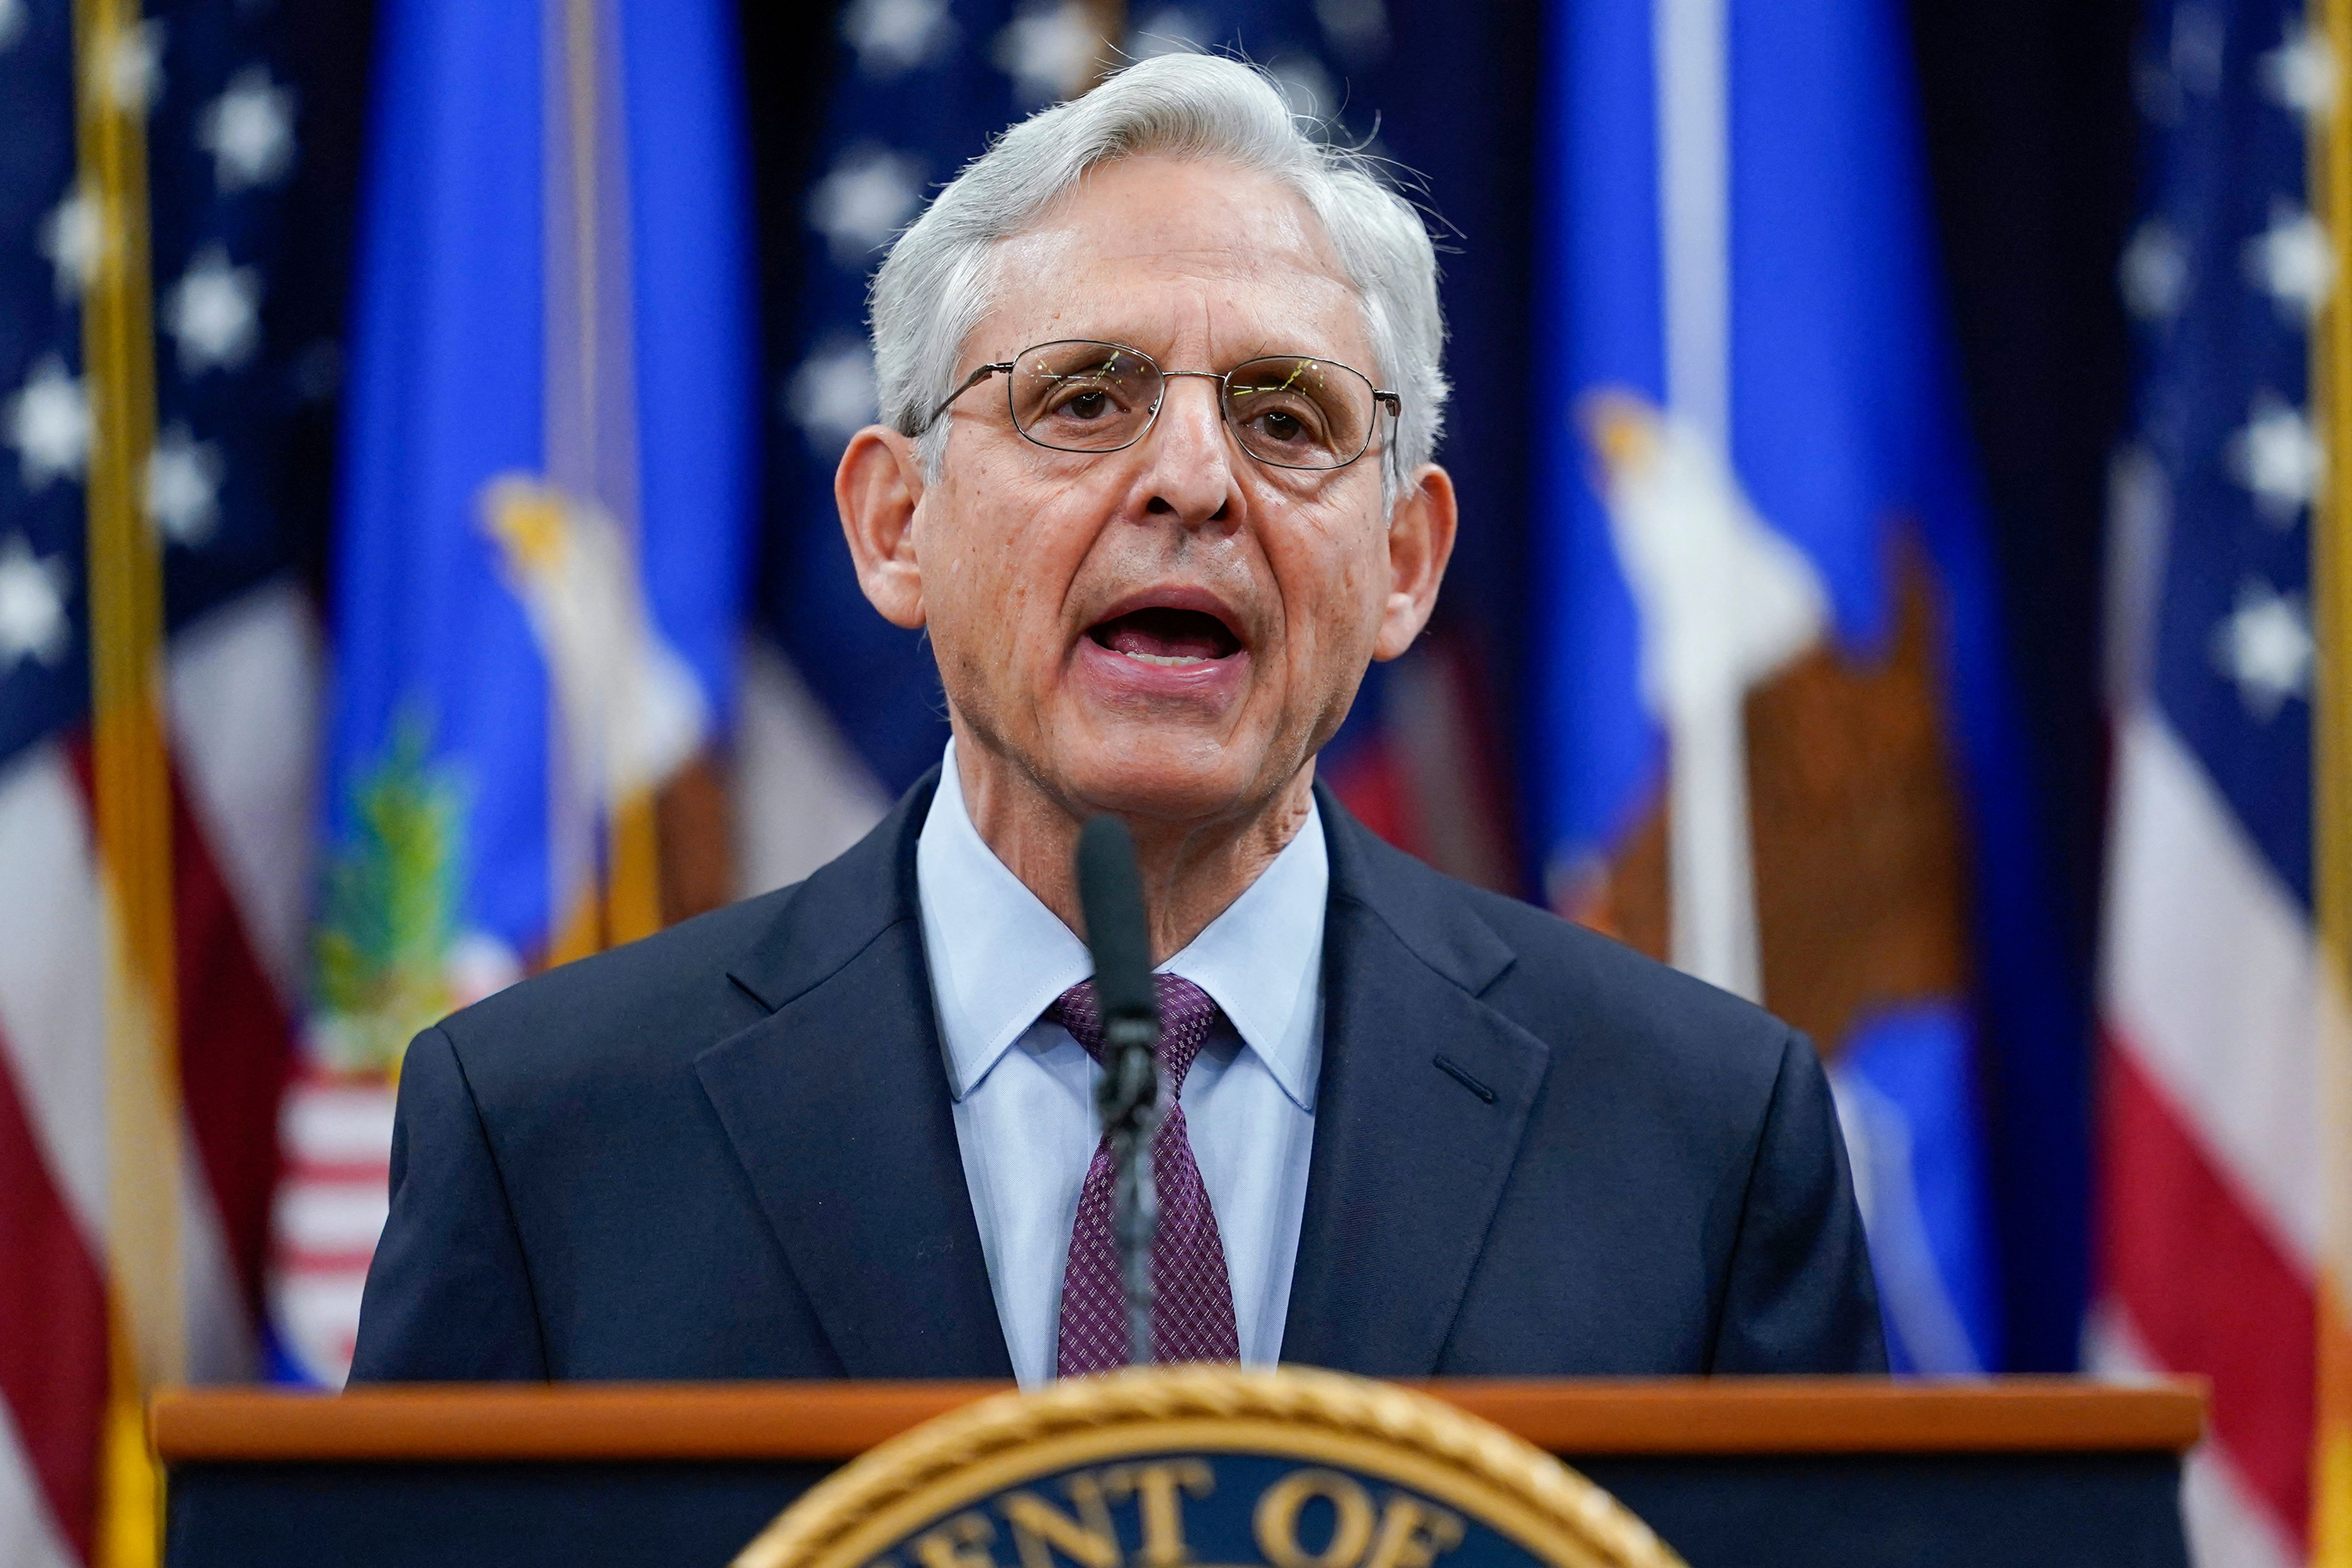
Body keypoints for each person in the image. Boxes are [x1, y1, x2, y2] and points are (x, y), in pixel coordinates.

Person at [351, 52, 1883, 1385]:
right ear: (897, 525)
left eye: (1289, 418)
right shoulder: (551, 1137)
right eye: (1086, 397)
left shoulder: (1699, 1138)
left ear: (1405, 561)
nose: (1196, 480)